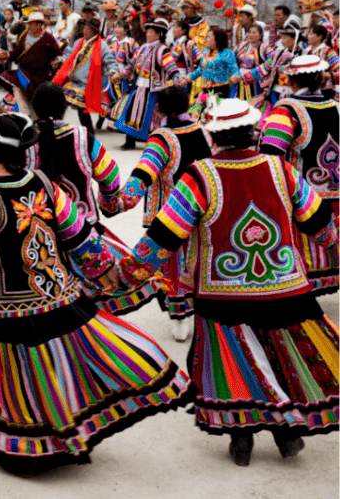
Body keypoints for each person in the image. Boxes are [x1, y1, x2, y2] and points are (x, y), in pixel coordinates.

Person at [0, 110, 191, 476]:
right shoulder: (43, 184)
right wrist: (110, 273)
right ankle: (61, 437)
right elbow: (82, 240)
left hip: (7, 314)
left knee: (16, 386)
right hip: (60, 300)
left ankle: (23, 451)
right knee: (54, 373)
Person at [129, 98, 337, 466]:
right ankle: (286, 434)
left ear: (213, 136)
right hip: (285, 286)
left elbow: (165, 234)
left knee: (233, 362)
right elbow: (319, 223)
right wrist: (327, 242)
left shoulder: (200, 175)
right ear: (254, 133)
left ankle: (242, 439)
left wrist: (129, 271)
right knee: (280, 357)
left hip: (222, 292)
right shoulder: (281, 170)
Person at [27, 82, 158, 316]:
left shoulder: (23, 142)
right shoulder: (82, 137)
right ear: (64, 108)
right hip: (84, 235)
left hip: (37, 238)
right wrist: (107, 204)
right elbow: (111, 177)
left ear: (33, 109)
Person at [100, 85, 212, 340]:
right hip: (204, 211)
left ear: (161, 109)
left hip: (170, 217)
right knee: (199, 261)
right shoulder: (203, 132)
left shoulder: (162, 139)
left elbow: (143, 174)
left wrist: (116, 202)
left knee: (172, 266)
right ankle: (201, 309)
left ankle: (180, 316)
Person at [258, 55, 338, 296]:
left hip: (303, 197)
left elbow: (270, 154)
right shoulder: (336, 106)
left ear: (290, 80)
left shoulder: (287, 110)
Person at [111, 16, 180, 150]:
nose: (148, 34)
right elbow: (131, 65)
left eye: (151, 32)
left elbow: (171, 68)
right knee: (131, 112)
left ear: (159, 34)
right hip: (139, 87)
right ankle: (129, 141)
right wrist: (121, 75)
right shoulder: (142, 48)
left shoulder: (163, 50)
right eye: (147, 31)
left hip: (154, 89)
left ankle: (155, 143)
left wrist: (178, 80)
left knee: (152, 117)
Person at [51, 13, 116, 130]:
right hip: (73, 82)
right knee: (60, 102)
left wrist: (114, 72)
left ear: (94, 31)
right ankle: (54, 126)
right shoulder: (78, 42)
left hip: (87, 84)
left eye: (87, 28)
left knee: (82, 111)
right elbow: (69, 57)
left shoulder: (102, 46)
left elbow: (110, 61)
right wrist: (60, 61)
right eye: (85, 27)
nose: (84, 30)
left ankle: (89, 134)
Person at [233, 17, 301, 112]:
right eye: (282, 38)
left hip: (297, 93)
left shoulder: (304, 54)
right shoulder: (278, 54)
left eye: (285, 38)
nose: (282, 41)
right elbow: (263, 68)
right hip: (277, 91)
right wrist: (241, 77)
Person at [1, 10, 60, 114]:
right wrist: (6, 55)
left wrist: (56, 61)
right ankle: (23, 116)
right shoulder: (25, 36)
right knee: (21, 93)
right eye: (29, 23)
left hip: (40, 75)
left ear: (39, 24)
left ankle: (35, 119)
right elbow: (16, 51)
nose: (30, 26)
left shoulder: (48, 38)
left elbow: (57, 54)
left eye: (32, 23)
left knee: (36, 99)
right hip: (24, 71)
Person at [181, 26, 239, 110]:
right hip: (205, 89)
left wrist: (236, 77)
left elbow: (235, 71)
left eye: (209, 37)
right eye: (206, 36)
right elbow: (200, 70)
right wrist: (186, 79)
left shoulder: (227, 53)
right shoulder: (205, 52)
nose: (206, 39)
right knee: (195, 114)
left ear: (217, 39)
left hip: (220, 90)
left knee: (213, 115)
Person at [233, 21, 266, 100]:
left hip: (255, 81)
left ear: (260, 35)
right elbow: (231, 59)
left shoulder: (265, 48)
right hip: (238, 79)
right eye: (249, 32)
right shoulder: (241, 46)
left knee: (252, 104)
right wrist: (235, 73)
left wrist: (250, 75)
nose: (251, 35)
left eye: (254, 33)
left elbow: (269, 64)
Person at [305, 23, 340, 88]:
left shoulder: (328, 52)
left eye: (311, 34)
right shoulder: (306, 51)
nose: (308, 36)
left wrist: (328, 75)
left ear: (320, 37)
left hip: (323, 89)